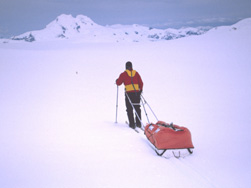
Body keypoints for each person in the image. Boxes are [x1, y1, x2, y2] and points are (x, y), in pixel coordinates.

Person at [116, 61, 143, 129]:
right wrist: (140, 90)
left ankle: (132, 124)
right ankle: (139, 123)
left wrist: (116, 81)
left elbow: (119, 83)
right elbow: (141, 83)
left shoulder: (124, 74)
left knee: (129, 108)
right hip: (137, 93)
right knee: (137, 108)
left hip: (129, 94)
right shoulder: (136, 73)